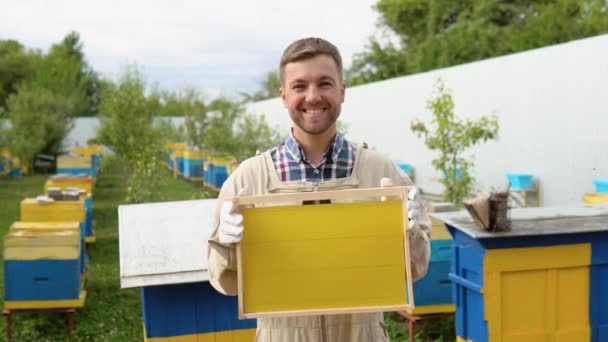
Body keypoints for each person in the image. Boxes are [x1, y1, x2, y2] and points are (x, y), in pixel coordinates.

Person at [207, 37, 431, 342]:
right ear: (283, 96)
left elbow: (415, 271)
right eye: (299, 86)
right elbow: (225, 282)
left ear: (342, 91)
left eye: (325, 83)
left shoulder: (383, 173)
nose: (313, 96)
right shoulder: (247, 179)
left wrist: (413, 234)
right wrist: (225, 245)